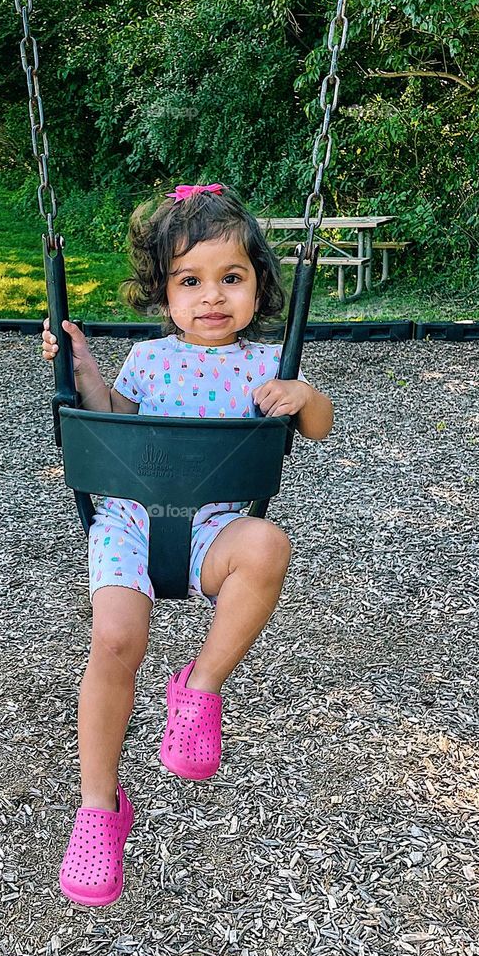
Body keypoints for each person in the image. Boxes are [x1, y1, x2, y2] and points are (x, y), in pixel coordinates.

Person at [41, 182, 334, 906]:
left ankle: (198, 687)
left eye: (230, 279)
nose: (211, 297)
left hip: (213, 528)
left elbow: (320, 426)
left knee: (268, 545)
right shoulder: (147, 361)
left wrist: (305, 398)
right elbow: (114, 420)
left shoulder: (268, 368)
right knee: (113, 641)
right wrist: (82, 369)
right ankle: (99, 810)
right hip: (131, 519)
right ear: (163, 293)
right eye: (190, 281)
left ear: (258, 286)